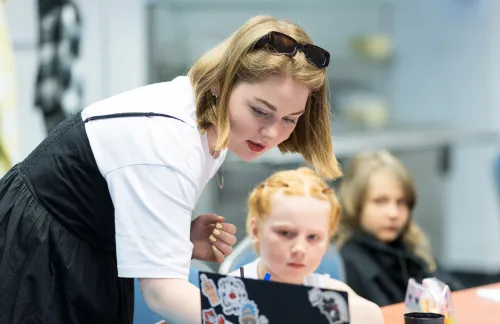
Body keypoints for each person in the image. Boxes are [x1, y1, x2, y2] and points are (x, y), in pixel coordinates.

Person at [0, 15, 340, 324]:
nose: (271, 133)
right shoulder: (169, 138)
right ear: (222, 83)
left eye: (289, 120)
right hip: (38, 257)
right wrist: (258, 318)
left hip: (83, 253)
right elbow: (162, 294)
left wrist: (173, 237)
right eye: (260, 111)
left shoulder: (215, 124)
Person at [228, 167, 385, 323]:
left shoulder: (336, 296)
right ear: (256, 232)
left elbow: (372, 315)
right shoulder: (227, 294)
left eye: (313, 237)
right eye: (286, 233)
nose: (300, 249)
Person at [335, 151, 463, 307]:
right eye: (380, 201)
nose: (394, 213)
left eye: (401, 202)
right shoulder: (346, 261)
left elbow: (456, 297)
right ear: (354, 204)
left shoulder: (412, 247)